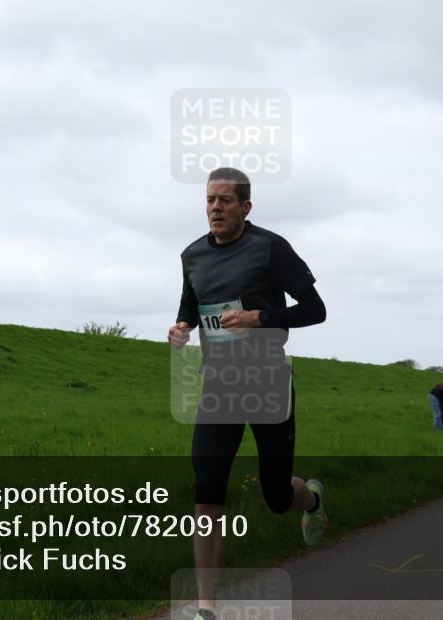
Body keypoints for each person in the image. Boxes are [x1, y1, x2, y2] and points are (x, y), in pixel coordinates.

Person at [167, 167, 327, 620]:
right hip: (219, 388)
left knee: (277, 497)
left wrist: (260, 318)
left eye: (225, 201)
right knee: (207, 492)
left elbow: (316, 310)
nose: (215, 208)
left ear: (246, 207)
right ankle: (206, 607)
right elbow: (190, 305)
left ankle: (312, 499)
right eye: (209, 201)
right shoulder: (192, 255)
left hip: (268, 384)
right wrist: (182, 327)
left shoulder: (270, 248)